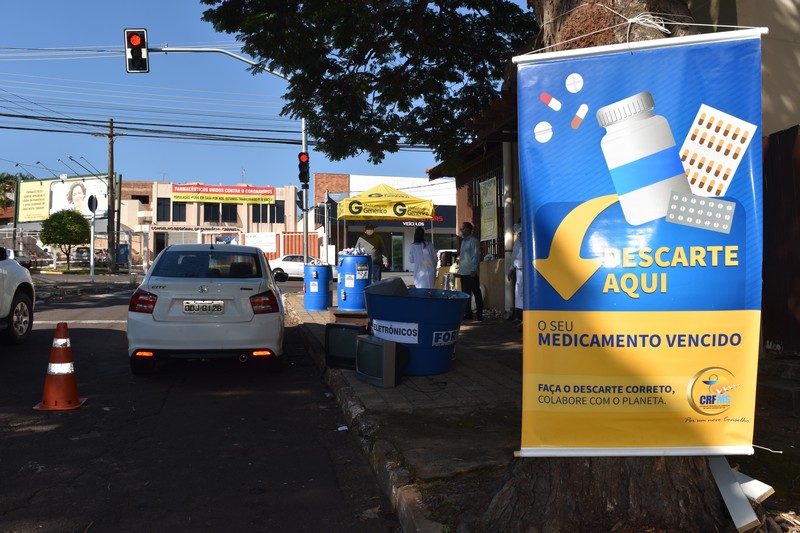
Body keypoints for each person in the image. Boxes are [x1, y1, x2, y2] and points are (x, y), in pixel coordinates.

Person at [457, 221, 483, 320]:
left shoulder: (474, 241)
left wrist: (473, 270)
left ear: (467, 229)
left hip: (471, 273)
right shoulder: (463, 241)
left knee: (476, 293)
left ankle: (479, 314)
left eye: (462, 228)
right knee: (466, 294)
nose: (461, 230)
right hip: (463, 272)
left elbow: (475, 256)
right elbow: (463, 257)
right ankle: (468, 313)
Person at [507, 222, 523, 330]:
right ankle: (519, 317)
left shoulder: (528, 238)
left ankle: (524, 319)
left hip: (527, 269)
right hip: (518, 269)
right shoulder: (518, 239)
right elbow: (514, 255)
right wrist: (511, 269)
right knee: (518, 294)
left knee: (524, 294)